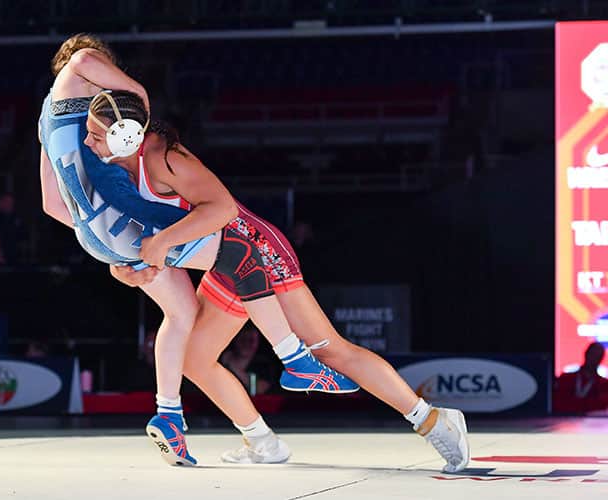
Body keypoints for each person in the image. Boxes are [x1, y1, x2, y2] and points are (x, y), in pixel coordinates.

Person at [85, 89, 470, 473]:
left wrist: (163, 243)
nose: (87, 142)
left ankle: (433, 420)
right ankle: (261, 441)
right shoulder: (115, 169)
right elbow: (132, 237)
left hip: (255, 251)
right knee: (194, 359)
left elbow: (222, 209)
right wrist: (123, 267)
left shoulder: (164, 157)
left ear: (125, 135)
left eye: (96, 135)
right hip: (222, 263)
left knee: (329, 350)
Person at [37, 34, 352, 468]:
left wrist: (115, 250)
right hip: (119, 224)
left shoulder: (45, 122)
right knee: (242, 253)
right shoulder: (81, 69)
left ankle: (169, 415)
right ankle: (294, 358)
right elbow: (126, 88)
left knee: (182, 314)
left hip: (92, 234)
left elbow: (52, 206)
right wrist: (133, 123)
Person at [554, 342, 608, 413]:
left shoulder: (603, 384)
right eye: (592, 354)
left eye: (598, 355)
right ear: (586, 353)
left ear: (601, 359)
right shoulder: (565, 378)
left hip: (592, 421)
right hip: (564, 419)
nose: (594, 358)